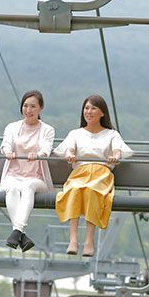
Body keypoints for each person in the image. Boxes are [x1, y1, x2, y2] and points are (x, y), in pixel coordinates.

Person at [53, 94, 133, 257]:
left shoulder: (111, 134)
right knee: (74, 190)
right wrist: (70, 154)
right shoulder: (76, 133)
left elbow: (117, 151)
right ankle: (73, 239)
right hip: (80, 172)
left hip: (100, 173)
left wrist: (115, 157)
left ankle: (89, 240)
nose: (88, 112)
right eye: (86, 108)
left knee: (92, 191)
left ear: (102, 113)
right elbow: (69, 148)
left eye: (93, 108)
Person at [0, 90, 55, 252]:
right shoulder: (12, 127)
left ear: (40, 109)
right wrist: (8, 152)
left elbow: (46, 149)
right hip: (13, 174)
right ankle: (20, 234)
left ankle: (17, 231)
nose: (28, 110)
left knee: (27, 187)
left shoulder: (47, 130)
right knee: (13, 188)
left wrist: (38, 155)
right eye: (25, 106)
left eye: (32, 106)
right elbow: (6, 144)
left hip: (36, 177)